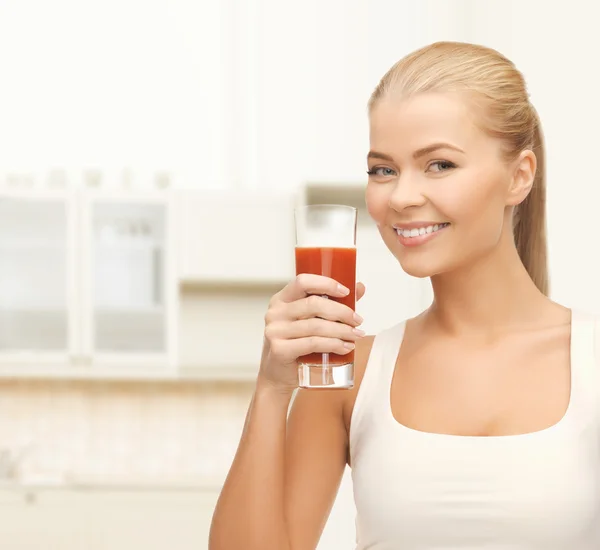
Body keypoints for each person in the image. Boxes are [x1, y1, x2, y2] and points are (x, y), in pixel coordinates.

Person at [209, 41, 600, 550]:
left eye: (439, 165)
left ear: (519, 176)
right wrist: (271, 388)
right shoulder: (348, 376)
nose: (401, 197)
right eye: (382, 170)